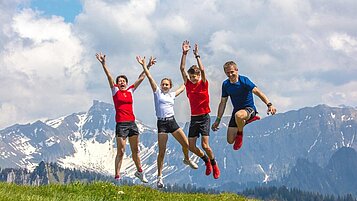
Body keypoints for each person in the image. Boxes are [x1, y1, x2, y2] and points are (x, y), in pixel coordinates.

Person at [136, 55, 198, 188]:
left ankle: (186, 159)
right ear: (161, 86)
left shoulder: (172, 94)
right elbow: (150, 78)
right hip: (162, 124)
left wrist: (190, 76)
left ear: (170, 86)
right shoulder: (157, 93)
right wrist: (145, 65)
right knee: (162, 151)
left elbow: (185, 85)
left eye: (167, 85)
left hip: (172, 122)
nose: (164, 86)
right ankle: (159, 177)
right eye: (163, 84)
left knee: (186, 144)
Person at [96, 52, 155, 183]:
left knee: (135, 150)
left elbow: (141, 78)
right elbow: (109, 77)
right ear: (117, 84)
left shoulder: (130, 91)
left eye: (123, 81)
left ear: (127, 83)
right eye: (119, 81)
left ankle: (140, 172)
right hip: (121, 124)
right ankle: (117, 177)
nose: (121, 83)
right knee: (121, 151)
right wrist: (104, 64)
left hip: (132, 123)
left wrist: (148, 66)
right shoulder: (115, 91)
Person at [211, 60, 277, 151]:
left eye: (232, 72)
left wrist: (269, 104)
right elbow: (223, 103)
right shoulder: (226, 84)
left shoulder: (244, 81)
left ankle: (240, 133)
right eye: (227, 73)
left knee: (239, 115)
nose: (230, 75)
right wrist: (218, 120)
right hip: (237, 111)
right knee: (230, 140)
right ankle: (246, 121)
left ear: (237, 70)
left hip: (249, 109)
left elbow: (258, 92)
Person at [179, 40, 220, 179]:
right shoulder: (188, 85)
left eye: (195, 76)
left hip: (204, 117)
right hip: (194, 118)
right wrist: (184, 53)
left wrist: (197, 55)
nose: (193, 78)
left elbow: (202, 70)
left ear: (199, 76)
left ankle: (214, 163)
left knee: (205, 145)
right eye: (191, 77)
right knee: (191, 146)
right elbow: (181, 69)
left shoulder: (203, 84)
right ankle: (206, 161)